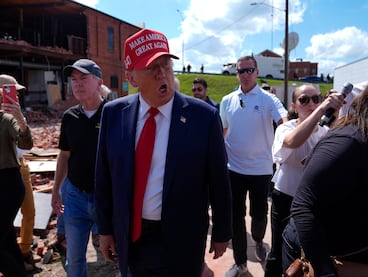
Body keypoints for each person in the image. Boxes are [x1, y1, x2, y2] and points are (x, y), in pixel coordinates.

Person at [95, 28, 232, 277]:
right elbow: (104, 176)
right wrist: (105, 229)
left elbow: (219, 180)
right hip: (133, 235)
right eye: (151, 67)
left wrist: (222, 231)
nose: (162, 74)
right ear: (133, 78)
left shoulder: (203, 117)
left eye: (166, 64)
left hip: (182, 237)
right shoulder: (114, 114)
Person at [282, 68, 368, 276]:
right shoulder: (346, 143)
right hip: (325, 258)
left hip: (358, 256)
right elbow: (303, 207)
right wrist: (326, 272)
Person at [264, 84, 344, 276]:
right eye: (304, 100)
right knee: (278, 250)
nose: (312, 104)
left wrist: (337, 111)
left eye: (316, 99)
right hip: (286, 197)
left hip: (314, 202)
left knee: (309, 251)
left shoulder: (325, 132)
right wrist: (321, 110)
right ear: (293, 105)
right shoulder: (285, 128)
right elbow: (293, 141)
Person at [220, 55, 288, 276]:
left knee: (259, 214)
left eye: (250, 70)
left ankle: (258, 240)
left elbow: (284, 123)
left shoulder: (269, 99)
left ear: (257, 72)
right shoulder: (227, 100)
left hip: (261, 170)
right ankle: (240, 262)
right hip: (234, 169)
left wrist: (288, 144)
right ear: (236, 73)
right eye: (241, 71)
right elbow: (222, 132)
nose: (246, 75)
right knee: (236, 216)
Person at [50, 58, 106, 276]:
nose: (77, 84)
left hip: (105, 198)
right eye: (74, 79)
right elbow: (64, 155)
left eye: (83, 78)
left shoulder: (113, 114)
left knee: (118, 255)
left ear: (99, 82)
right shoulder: (70, 117)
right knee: (74, 261)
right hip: (75, 197)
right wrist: (56, 190)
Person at [0, 74, 33, 276]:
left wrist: (21, 120)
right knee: (7, 239)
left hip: (8, 182)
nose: (15, 96)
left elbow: (26, 144)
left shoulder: (8, 118)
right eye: (10, 91)